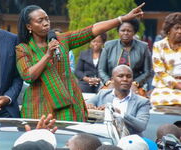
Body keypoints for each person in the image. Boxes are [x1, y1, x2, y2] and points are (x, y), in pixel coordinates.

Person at [15, 3, 145, 121]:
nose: (45, 23)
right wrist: (47, 55)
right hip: (39, 106)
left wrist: (122, 19)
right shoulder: (23, 48)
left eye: (47, 19)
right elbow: (28, 76)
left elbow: (91, 30)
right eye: (40, 20)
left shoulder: (61, 40)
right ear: (29, 26)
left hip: (69, 103)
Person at [86, 65, 151, 135]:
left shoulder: (142, 102)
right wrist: (89, 106)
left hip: (129, 142)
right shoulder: (102, 94)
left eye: (129, 76)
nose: (125, 79)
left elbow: (141, 126)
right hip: (104, 139)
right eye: (121, 76)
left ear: (132, 80)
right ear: (112, 80)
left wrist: (120, 114)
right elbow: (85, 104)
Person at [98, 18, 152, 96]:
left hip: (134, 83)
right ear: (118, 31)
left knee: (139, 100)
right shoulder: (108, 46)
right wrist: (108, 82)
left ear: (134, 32)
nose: (125, 33)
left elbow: (147, 71)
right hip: (112, 83)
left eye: (129, 31)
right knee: (105, 98)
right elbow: (101, 70)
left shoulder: (143, 47)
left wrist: (136, 83)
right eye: (123, 30)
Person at [150, 12, 181, 106]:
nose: (180, 31)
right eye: (177, 28)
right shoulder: (159, 45)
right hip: (164, 84)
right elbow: (159, 71)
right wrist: (176, 84)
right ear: (168, 29)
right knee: (160, 100)